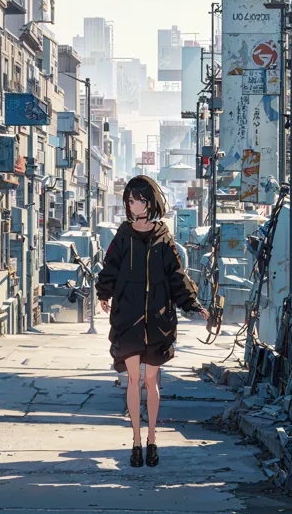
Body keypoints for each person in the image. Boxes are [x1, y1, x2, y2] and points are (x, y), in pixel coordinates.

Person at [94, 175, 208, 468]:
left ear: (151, 201)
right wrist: (104, 293)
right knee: (133, 379)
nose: (134, 206)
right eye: (130, 201)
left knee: (151, 379)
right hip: (128, 318)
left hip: (158, 319)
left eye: (140, 200)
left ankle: (152, 439)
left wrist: (193, 304)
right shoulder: (123, 236)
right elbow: (110, 267)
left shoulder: (164, 238)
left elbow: (176, 277)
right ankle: (135, 440)